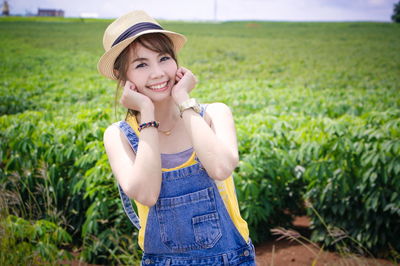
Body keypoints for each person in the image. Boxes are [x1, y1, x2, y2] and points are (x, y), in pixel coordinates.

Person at [98, 10, 256, 266]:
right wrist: (147, 114)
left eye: (164, 58)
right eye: (141, 64)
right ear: (122, 75)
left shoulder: (215, 114)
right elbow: (147, 194)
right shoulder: (119, 136)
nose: (158, 72)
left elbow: (220, 167)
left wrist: (184, 100)